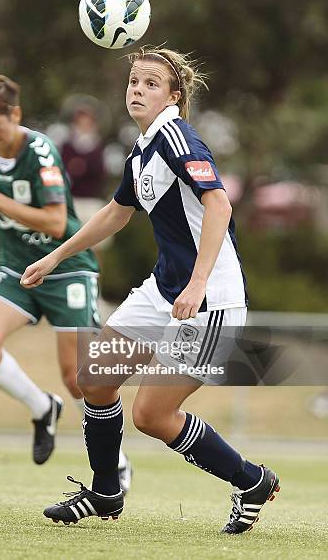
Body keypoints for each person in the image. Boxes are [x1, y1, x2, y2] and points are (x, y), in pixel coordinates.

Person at [21, 46, 280, 534]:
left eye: (151, 83)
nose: (137, 89)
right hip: (165, 290)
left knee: (152, 415)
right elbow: (116, 213)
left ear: (174, 96)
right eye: (134, 81)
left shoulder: (176, 137)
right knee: (94, 379)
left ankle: (251, 481)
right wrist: (56, 255)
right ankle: (104, 492)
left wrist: (199, 283)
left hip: (212, 301)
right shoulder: (143, 148)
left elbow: (220, 207)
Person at [0, 69, 132, 491]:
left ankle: (116, 461)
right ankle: (42, 408)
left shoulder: (41, 150)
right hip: (17, 266)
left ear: (15, 114)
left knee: (78, 377)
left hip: (64, 267)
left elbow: (57, 223)